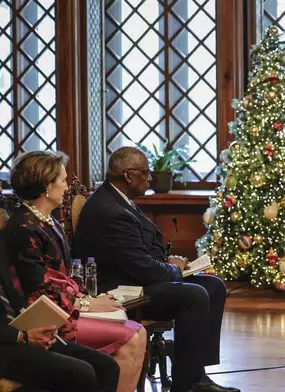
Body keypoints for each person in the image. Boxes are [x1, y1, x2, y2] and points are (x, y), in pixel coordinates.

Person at [74, 147, 239, 392]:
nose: (150, 179)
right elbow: (144, 270)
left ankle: (197, 373)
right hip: (120, 289)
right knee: (193, 295)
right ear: (128, 175)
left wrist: (170, 263)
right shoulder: (111, 211)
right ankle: (188, 384)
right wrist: (174, 268)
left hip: (134, 277)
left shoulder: (117, 199)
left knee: (213, 286)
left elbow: (138, 255)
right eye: (146, 173)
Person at [3, 151, 147, 392]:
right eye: (62, 180)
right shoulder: (23, 227)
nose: (67, 186)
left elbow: (63, 279)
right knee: (132, 336)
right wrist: (86, 305)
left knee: (135, 330)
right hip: (46, 318)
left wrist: (86, 299)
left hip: (63, 307)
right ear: (46, 186)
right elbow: (37, 289)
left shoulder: (48, 221)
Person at [0, 236, 120, 392]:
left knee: (107, 367)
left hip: (17, 329)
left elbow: (11, 290)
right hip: (6, 343)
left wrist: (38, 321)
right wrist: (22, 336)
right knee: (82, 373)